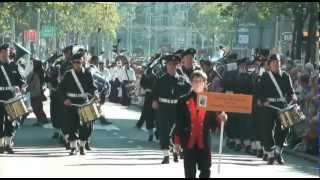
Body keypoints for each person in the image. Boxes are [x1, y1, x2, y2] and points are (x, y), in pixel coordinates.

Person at [174, 70, 228, 178]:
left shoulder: (211, 100)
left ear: (204, 83)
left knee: (206, 170)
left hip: (204, 140)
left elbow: (214, 121)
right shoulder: (183, 100)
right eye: (195, 81)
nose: (197, 83)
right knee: (189, 172)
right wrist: (177, 141)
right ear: (191, 83)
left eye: (200, 81)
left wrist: (221, 119)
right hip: (188, 139)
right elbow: (179, 122)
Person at [257, 54, 297, 165]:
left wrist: (293, 96)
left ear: (281, 63)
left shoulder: (285, 76)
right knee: (267, 129)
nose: (276, 64)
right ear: (269, 64)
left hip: (282, 104)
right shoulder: (265, 76)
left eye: (278, 61)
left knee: (286, 128)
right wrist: (262, 100)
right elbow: (259, 92)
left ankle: (278, 152)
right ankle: (270, 154)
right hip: (268, 105)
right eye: (273, 62)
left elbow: (291, 91)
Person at [151, 54, 190, 164]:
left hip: (177, 108)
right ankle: (165, 155)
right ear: (166, 65)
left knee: (177, 131)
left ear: (177, 66)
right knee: (163, 131)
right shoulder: (161, 79)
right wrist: (154, 101)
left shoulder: (182, 80)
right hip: (163, 108)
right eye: (169, 64)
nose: (172, 67)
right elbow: (154, 93)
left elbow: (190, 92)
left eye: (174, 64)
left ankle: (176, 150)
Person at [60, 52, 98, 155]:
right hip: (71, 103)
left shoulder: (87, 73)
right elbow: (61, 89)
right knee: (71, 125)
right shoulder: (68, 74)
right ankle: (73, 147)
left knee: (86, 126)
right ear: (72, 63)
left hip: (84, 102)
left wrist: (94, 94)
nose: (77, 64)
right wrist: (65, 99)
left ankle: (82, 146)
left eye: (79, 62)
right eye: (75, 62)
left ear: (83, 62)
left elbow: (93, 87)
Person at [0, 43, 26, 154]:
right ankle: (1, 144)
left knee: (11, 122)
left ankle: (8, 144)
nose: (7, 54)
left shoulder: (14, 66)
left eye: (8, 52)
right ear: (1, 53)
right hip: (0, 98)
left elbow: (21, 81)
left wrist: (22, 88)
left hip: (11, 98)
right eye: (5, 52)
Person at [27, 58, 49, 127]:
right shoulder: (40, 72)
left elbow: (32, 83)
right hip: (38, 92)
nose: (33, 64)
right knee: (38, 107)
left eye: (34, 63)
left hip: (35, 93)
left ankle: (41, 120)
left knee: (37, 108)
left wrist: (27, 88)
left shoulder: (36, 73)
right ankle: (43, 119)